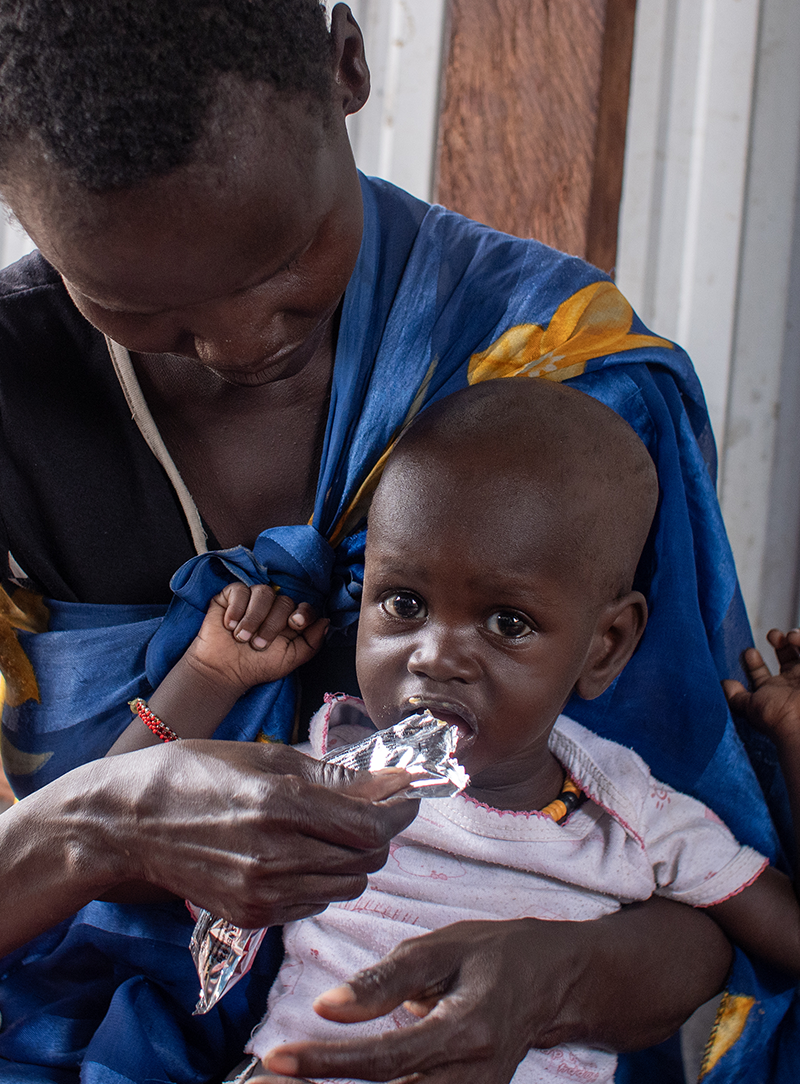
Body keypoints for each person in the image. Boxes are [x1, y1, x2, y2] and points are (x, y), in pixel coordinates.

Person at [0, 0, 790, 1082]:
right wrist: (94, 823)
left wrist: (551, 977)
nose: (233, 343)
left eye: (280, 263)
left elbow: (705, 901)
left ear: (346, 65)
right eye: (139, 310)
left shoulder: (561, 394)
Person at [114, 378, 800, 1084]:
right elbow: (124, 844)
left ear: (606, 646)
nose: (435, 656)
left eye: (508, 623)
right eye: (404, 603)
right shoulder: (331, 776)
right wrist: (208, 673)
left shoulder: (637, 816)